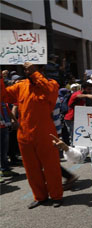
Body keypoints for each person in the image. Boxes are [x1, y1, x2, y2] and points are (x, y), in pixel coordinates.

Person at [0, 62, 63, 208]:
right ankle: (40, 196)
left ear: (40, 69)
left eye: (31, 67)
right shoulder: (21, 85)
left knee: (51, 167)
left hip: (45, 133)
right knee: (31, 168)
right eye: (26, 68)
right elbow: (3, 96)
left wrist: (35, 72)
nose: (26, 69)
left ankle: (56, 196)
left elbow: (48, 91)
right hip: (24, 134)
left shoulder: (51, 84)